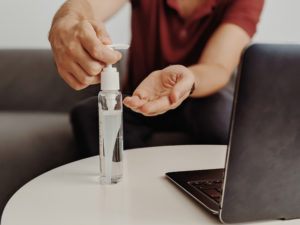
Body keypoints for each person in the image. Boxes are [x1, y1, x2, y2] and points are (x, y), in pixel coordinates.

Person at [49, 0, 264, 155]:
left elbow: (217, 67)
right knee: (88, 116)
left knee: (222, 117)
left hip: (199, 96)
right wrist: (67, 21)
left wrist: (187, 78)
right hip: (139, 99)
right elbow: (84, 5)